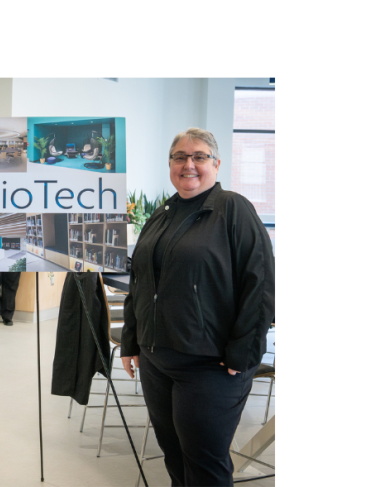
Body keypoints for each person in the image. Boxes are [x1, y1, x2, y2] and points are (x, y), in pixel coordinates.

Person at [120, 127, 275, 487]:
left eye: (199, 156)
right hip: (157, 360)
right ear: (170, 164)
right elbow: (140, 280)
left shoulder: (233, 209)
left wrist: (244, 353)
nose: (188, 164)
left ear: (216, 164)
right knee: (173, 456)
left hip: (211, 366)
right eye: (180, 157)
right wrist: (132, 340)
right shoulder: (163, 213)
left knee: (205, 465)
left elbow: (263, 284)